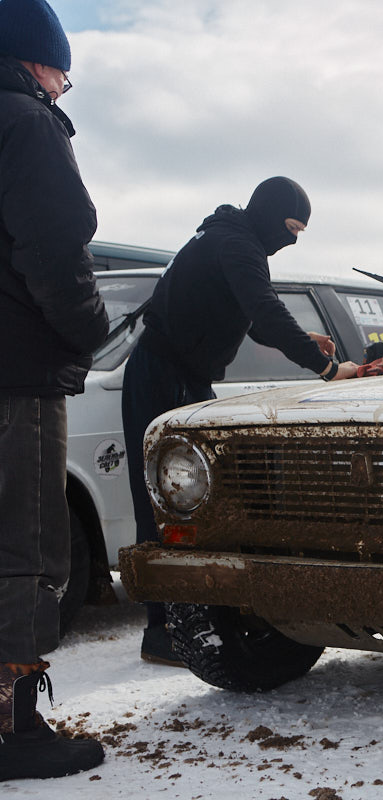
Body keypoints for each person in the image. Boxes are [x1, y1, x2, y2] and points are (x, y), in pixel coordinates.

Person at [121, 177, 359, 666]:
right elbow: (264, 311)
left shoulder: (227, 237)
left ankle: (210, 615)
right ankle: (162, 630)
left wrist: (303, 338)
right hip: (164, 375)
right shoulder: (237, 243)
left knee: (208, 497)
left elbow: (248, 316)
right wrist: (328, 369)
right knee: (169, 500)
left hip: (181, 373)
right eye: (291, 228)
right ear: (271, 215)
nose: (291, 241)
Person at [0, 0, 109, 780]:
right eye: (63, 74)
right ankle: (15, 728)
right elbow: (56, 249)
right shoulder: (28, 123)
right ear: (37, 62)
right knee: (24, 549)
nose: (63, 89)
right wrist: (91, 330)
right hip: (17, 377)